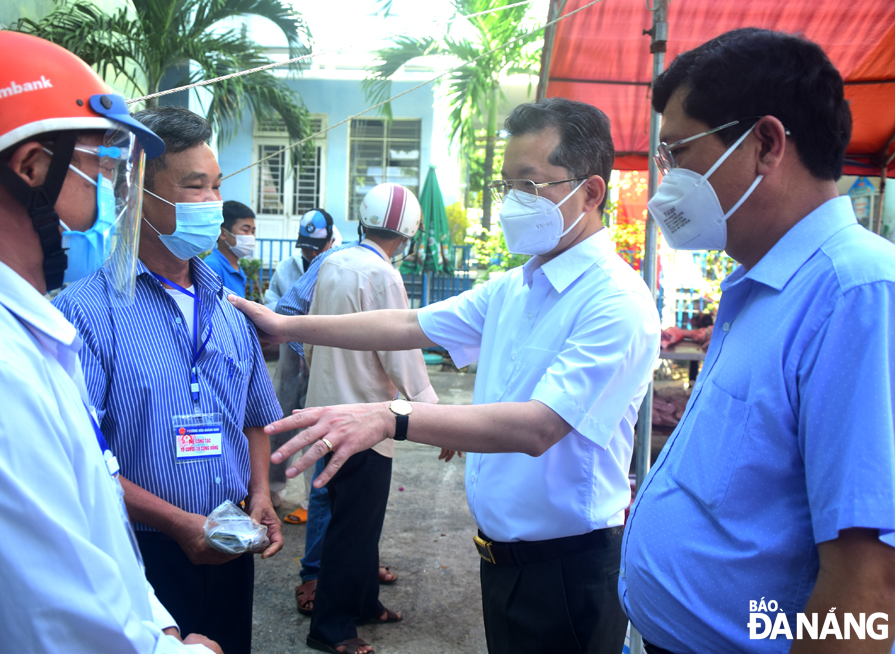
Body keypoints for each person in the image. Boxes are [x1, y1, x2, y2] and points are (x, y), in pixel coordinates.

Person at [231, 98, 661, 654]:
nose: (511, 203)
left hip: (568, 566)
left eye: (529, 186)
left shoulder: (616, 300)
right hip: (501, 557)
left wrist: (393, 417)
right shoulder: (516, 287)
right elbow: (408, 323)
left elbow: (537, 428)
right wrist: (285, 326)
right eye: (506, 186)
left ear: (592, 192)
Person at [0, 30, 221, 654]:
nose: (111, 191)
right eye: (100, 165)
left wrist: (156, 622)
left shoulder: (3, 324)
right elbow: (45, 627)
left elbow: (90, 525)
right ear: (33, 167)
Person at [619, 28, 895, 654]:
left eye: (677, 154)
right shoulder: (764, 283)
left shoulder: (857, 295)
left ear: (766, 145)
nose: (664, 185)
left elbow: (871, 586)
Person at [53, 106, 284, 654]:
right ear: (137, 193)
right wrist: (179, 523)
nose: (212, 204)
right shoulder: (86, 313)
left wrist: (260, 494)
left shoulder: (230, 311)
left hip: (231, 546)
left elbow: (254, 418)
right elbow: (81, 457)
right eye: (193, 187)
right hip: (139, 553)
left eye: (216, 187)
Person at [301, 183, 439, 654]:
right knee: (353, 528)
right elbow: (402, 353)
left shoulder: (333, 262)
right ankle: (331, 627)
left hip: (327, 413)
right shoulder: (384, 276)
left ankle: (364, 602)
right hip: (364, 420)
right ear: (407, 234)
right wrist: (433, 415)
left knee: (355, 520)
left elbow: (312, 336)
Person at [263, 208, 336, 516]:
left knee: (317, 429)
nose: (308, 252)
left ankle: (312, 499)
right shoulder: (287, 268)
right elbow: (272, 302)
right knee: (281, 421)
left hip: (323, 358)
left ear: (330, 241)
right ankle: (271, 488)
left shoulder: (339, 263)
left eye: (315, 247)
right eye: (305, 246)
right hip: (291, 358)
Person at [203, 200, 256, 297]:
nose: (251, 236)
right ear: (223, 233)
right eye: (245, 230)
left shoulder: (237, 269)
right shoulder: (212, 267)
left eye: (252, 231)